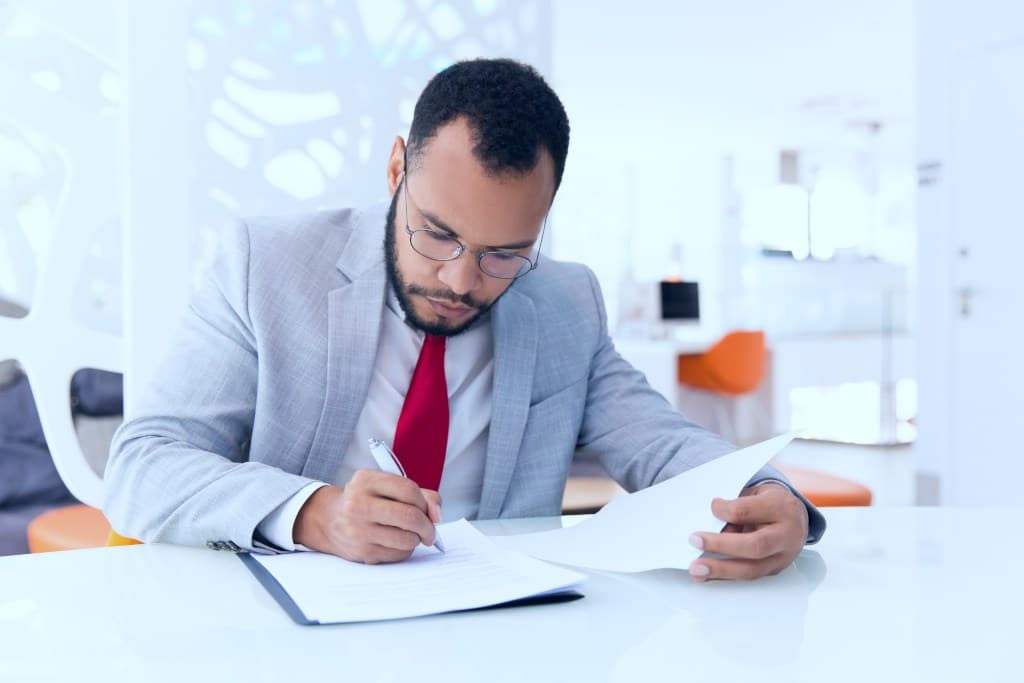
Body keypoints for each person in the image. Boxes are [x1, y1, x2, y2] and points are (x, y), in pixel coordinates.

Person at [105, 58, 824, 581]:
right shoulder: (268, 265)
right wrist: (313, 513)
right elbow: (143, 466)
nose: (460, 279)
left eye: (504, 253)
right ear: (395, 170)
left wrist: (770, 495)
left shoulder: (565, 302)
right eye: (437, 233)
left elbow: (661, 442)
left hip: (494, 637)